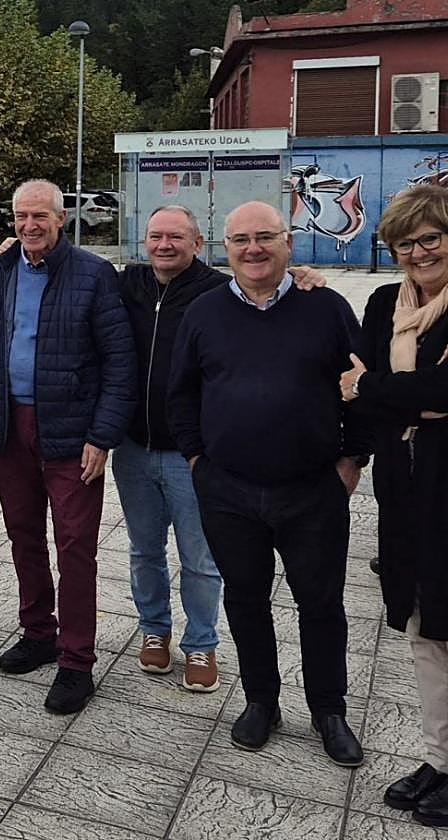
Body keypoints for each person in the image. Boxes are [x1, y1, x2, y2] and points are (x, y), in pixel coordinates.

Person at [169, 200, 369, 766]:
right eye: (241, 240)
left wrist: (354, 458)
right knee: (246, 598)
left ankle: (329, 709)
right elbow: (180, 391)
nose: (253, 249)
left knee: (321, 603)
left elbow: (361, 381)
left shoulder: (325, 307)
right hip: (228, 489)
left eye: (265, 237)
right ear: (224, 249)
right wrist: (195, 460)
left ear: (288, 243)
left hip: (311, 489)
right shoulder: (205, 312)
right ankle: (262, 701)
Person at [0, 179, 136, 714]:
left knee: (75, 545)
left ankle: (76, 661)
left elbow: (119, 362)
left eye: (40, 215)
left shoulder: (92, 274)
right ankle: (38, 632)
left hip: (71, 433)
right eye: (21, 216)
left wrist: (101, 436)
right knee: (23, 536)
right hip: (10, 428)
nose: (29, 225)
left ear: (62, 219)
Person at [340, 184, 448, 825]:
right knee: (421, 628)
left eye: (431, 238)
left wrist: (379, 388)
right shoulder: (385, 302)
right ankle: (440, 757)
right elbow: (356, 388)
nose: (418, 252)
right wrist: (399, 396)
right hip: (405, 489)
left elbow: (424, 388)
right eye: (405, 243)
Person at [112, 206, 227, 691]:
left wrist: (303, 278)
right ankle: (154, 631)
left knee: (200, 557)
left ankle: (201, 642)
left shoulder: (221, 292)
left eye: (176, 237)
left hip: (192, 454)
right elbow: (65, 261)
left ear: (197, 243)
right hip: (133, 447)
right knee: (144, 551)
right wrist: (15, 250)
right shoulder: (127, 284)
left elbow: (272, 288)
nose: (164, 245)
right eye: (155, 236)